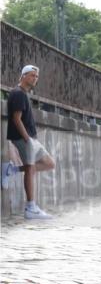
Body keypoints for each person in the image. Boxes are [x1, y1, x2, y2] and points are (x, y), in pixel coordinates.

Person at [2, 65, 56, 219]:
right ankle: (31, 208)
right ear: (23, 76)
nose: (35, 79)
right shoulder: (18, 94)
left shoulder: (23, 94)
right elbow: (16, 119)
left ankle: (11, 170)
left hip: (31, 139)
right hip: (23, 138)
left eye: (36, 76)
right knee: (31, 168)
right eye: (32, 75)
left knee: (50, 163)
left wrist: (31, 139)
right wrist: (27, 139)